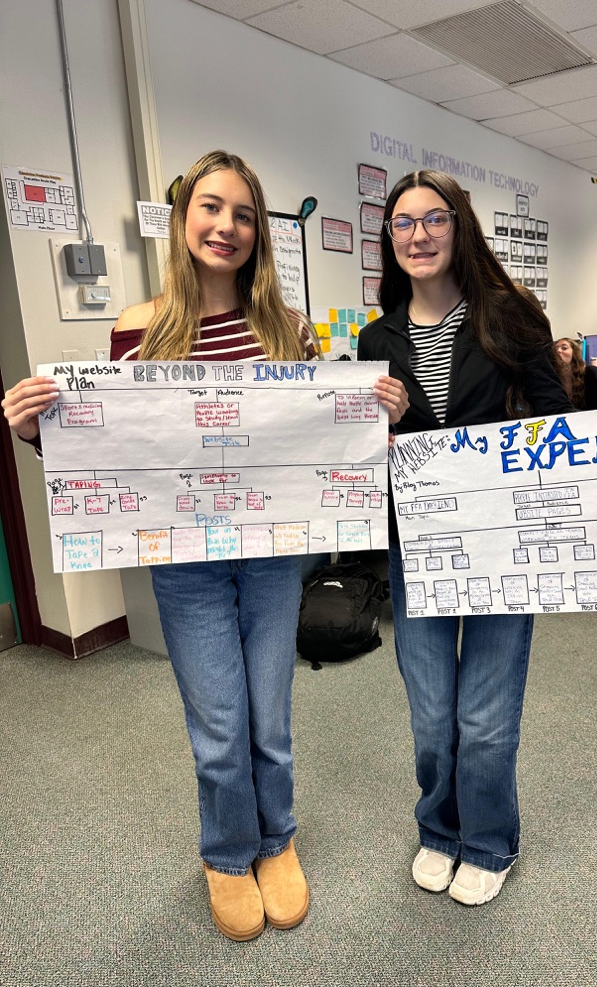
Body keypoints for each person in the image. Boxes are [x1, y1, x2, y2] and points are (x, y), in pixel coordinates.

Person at [1, 150, 407, 942]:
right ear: (184, 220)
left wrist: (373, 417)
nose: (227, 226)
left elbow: (315, 440)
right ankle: (227, 853)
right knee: (220, 725)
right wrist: (37, 433)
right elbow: (118, 449)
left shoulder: (287, 329)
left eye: (244, 214)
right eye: (211, 208)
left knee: (270, 718)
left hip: (273, 554)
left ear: (259, 232)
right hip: (185, 561)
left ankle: (276, 841)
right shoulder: (140, 327)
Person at [357, 170, 576, 908]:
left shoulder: (511, 317)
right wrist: (379, 425)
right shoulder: (376, 338)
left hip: (501, 541)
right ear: (389, 239)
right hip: (416, 543)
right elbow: (360, 454)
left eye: (434, 219)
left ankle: (487, 840)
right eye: (403, 223)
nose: (418, 235)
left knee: (484, 714)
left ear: (460, 226)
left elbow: (561, 423)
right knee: (431, 714)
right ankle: (439, 828)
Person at [554, 337, 597, 409]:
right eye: (555, 349)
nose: (558, 351)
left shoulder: (591, 373)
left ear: (574, 353)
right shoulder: (553, 380)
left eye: (564, 348)